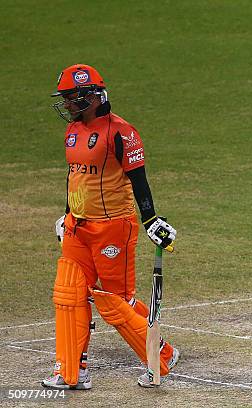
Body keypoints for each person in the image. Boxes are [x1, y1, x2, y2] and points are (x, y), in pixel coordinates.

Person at [43, 64, 179, 389]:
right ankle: (73, 372)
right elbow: (74, 175)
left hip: (113, 227)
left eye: (70, 98)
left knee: (114, 302)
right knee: (70, 295)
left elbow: (139, 180)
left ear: (89, 97)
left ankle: (161, 355)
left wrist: (150, 220)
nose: (65, 105)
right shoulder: (72, 131)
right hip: (78, 227)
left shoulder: (121, 132)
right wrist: (67, 215)